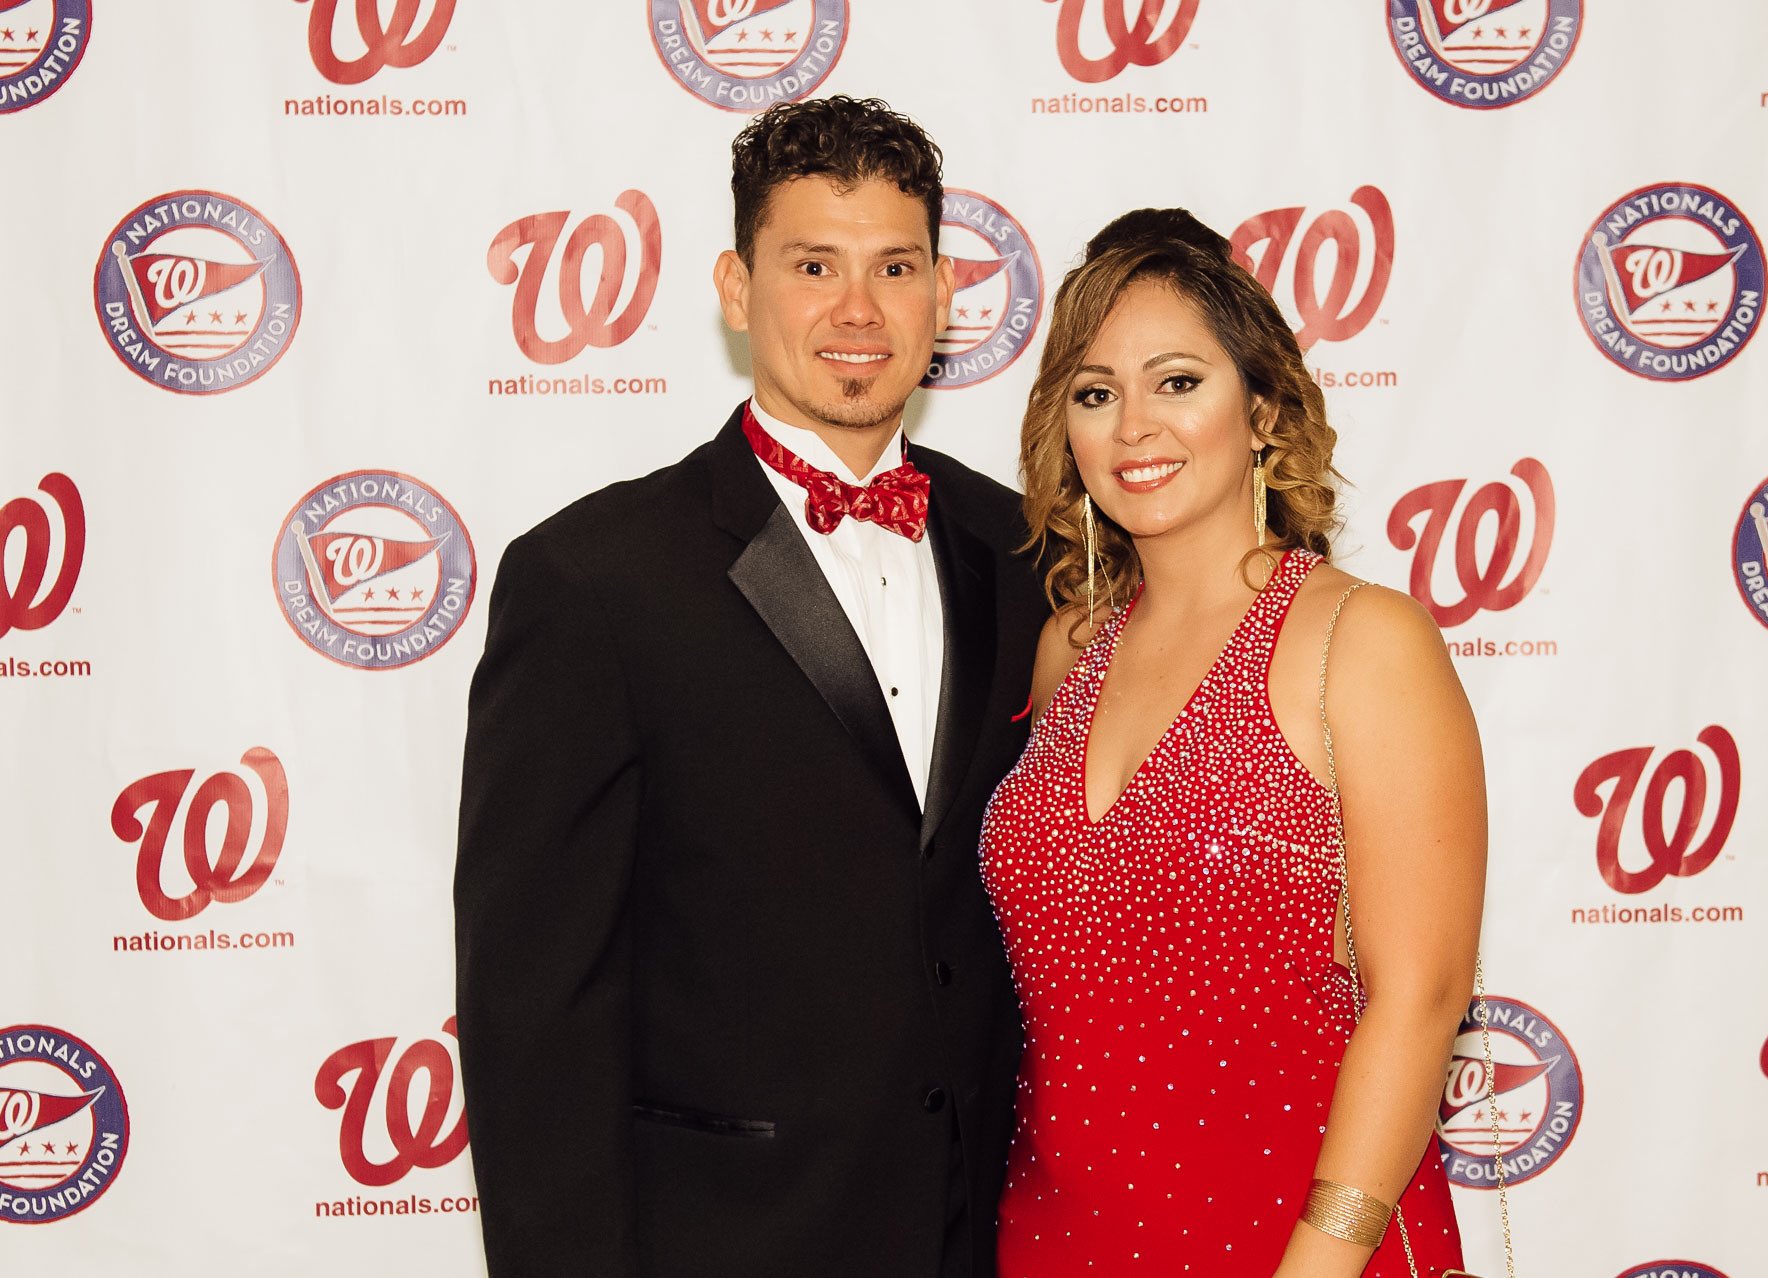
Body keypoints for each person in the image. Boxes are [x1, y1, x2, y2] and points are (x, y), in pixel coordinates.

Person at [454, 96, 1048, 1278]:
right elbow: (535, 1012)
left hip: (977, 1236)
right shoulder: (593, 580)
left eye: (897, 266)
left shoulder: (1021, 549)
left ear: (942, 296)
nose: (857, 309)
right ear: (736, 289)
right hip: (722, 1242)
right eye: (812, 264)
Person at [979, 208, 1485, 1277]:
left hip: (1298, 1245)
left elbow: (1423, 994)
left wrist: (1322, 1258)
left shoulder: (1360, 640)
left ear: (1260, 410)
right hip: (1056, 1242)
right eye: (1095, 394)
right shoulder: (1064, 653)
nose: (1132, 429)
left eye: (1177, 382)